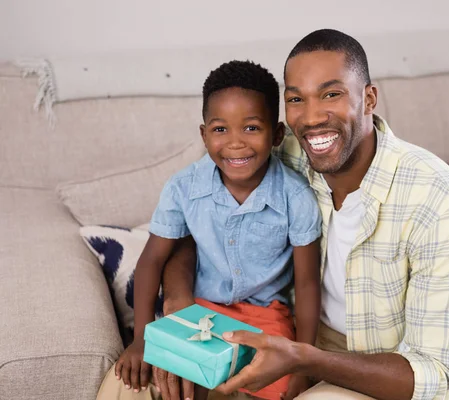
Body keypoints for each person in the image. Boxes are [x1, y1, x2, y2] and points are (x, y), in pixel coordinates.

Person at [162, 29, 449, 400]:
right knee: (134, 384)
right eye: (296, 99)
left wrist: (304, 360)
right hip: (279, 330)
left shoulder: (436, 196)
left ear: (369, 98)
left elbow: (435, 378)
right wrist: (177, 307)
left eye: (331, 94)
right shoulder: (276, 150)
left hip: (370, 364)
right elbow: (191, 223)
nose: (311, 118)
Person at [96, 60, 322, 400]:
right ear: (203, 134)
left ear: (276, 135)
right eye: (220, 130)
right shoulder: (183, 187)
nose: (235, 143)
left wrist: (303, 366)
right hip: (199, 311)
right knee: (172, 382)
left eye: (251, 128)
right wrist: (142, 340)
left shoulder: (296, 196)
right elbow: (152, 262)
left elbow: (306, 284)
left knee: (281, 387)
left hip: (266, 317)